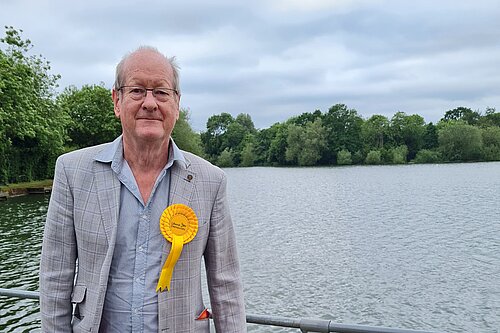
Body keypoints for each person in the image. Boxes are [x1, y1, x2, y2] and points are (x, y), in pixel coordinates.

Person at [39, 46, 246, 333]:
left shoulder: (211, 181)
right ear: (116, 100)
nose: (150, 103)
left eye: (161, 92)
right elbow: (55, 278)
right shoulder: (71, 172)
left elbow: (226, 284)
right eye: (137, 90)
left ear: (176, 103)